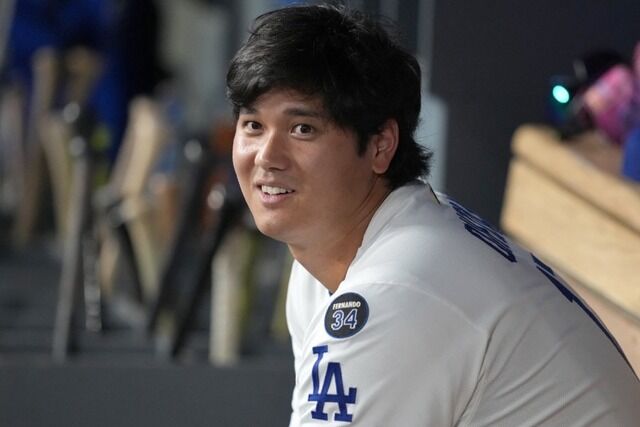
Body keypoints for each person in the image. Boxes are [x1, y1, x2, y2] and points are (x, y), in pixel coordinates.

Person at [227, 4, 640, 426]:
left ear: (380, 145)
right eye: (253, 125)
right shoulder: (338, 257)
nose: (267, 157)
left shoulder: (393, 294)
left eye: (302, 129)